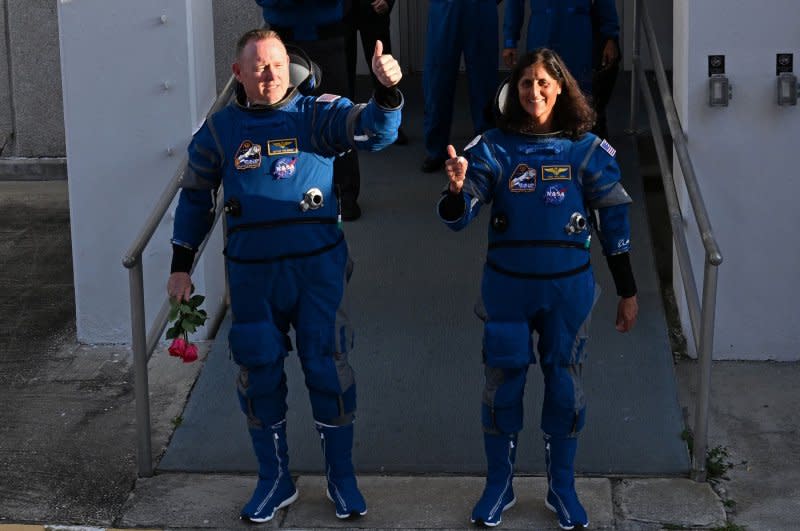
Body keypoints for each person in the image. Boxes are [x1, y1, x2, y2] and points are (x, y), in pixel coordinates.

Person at [167, 28, 403, 523]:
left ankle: (341, 478)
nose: (270, 74)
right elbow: (194, 198)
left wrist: (386, 92)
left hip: (316, 270)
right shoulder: (219, 130)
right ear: (238, 73)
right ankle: (274, 480)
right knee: (259, 374)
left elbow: (376, 131)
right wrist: (180, 268)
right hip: (253, 277)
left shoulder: (318, 114)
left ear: (291, 68)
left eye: (277, 64)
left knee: (328, 369)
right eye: (257, 66)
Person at [437, 48, 638, 529]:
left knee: (565, 389)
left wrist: (627, 290)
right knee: (502, 387)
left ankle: (562, 488)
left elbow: (615, 225)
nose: (535, 91)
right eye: (525, 83)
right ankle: (499, 487)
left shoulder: (586, 149)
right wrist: (457, 191)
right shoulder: (492, 148)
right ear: (513, 91)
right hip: (508, 291)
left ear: (562, 88)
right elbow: (460, 217)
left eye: (545, 82)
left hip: (567, 293)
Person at [255, 0, 364, 220]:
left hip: (328, 38)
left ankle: (345, 195)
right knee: (282, 118)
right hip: (281, 42)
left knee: (337, 114)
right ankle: (284, 190)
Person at [421, 0, 499, 173]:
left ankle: (486, 147)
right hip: (445, 7)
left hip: (480, 8)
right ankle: (435, 148)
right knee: (437, 78)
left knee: (484, 79)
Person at [502, 1, 619, 109]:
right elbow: (515, 3)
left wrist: (610, 37)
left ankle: (578, 128)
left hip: (577, 32)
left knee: (578, 89)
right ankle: (540, 128)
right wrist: (510, 41)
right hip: (542, 30)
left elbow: (605, 2)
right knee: (540, 84)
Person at [348, 0, 408, 145]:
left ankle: (389, 125)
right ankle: (344, 125)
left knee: (382, 66)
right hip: (340, 11)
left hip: (374, 9)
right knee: (343, 70)